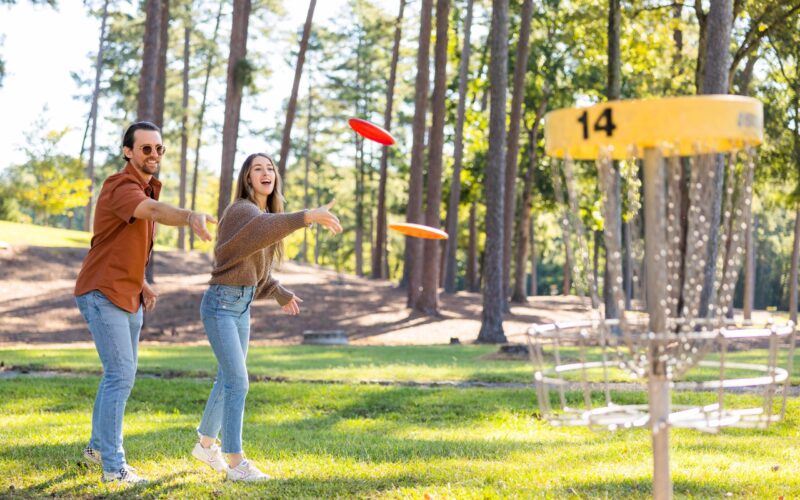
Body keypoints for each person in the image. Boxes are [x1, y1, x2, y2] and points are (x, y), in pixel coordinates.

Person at [74, 121, 217, 484]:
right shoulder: (120, 185)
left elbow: (117, 244)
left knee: (118, 377)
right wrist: (189, 217)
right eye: (146, 148)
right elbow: (150, 212)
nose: (154, 155)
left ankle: (96, 449)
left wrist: (142, 283)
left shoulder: (143, 186)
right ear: (128, 152)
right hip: (102, 291)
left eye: (159, 149)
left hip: (129, 293)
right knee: (120, 375)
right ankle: (113, 466)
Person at [190, 153, 341, 481]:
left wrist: (277, 290)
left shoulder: (262, 216)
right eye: (257, 168)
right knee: (237, 381)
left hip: (241, 306)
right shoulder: (242, 211)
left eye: (270, 168)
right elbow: (259, 232)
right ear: (247, 178)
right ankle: (235, 462)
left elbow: (252, 268)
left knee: (227, 378)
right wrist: (307, 216)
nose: (265, 172)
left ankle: (205, 445)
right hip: (220, 306)